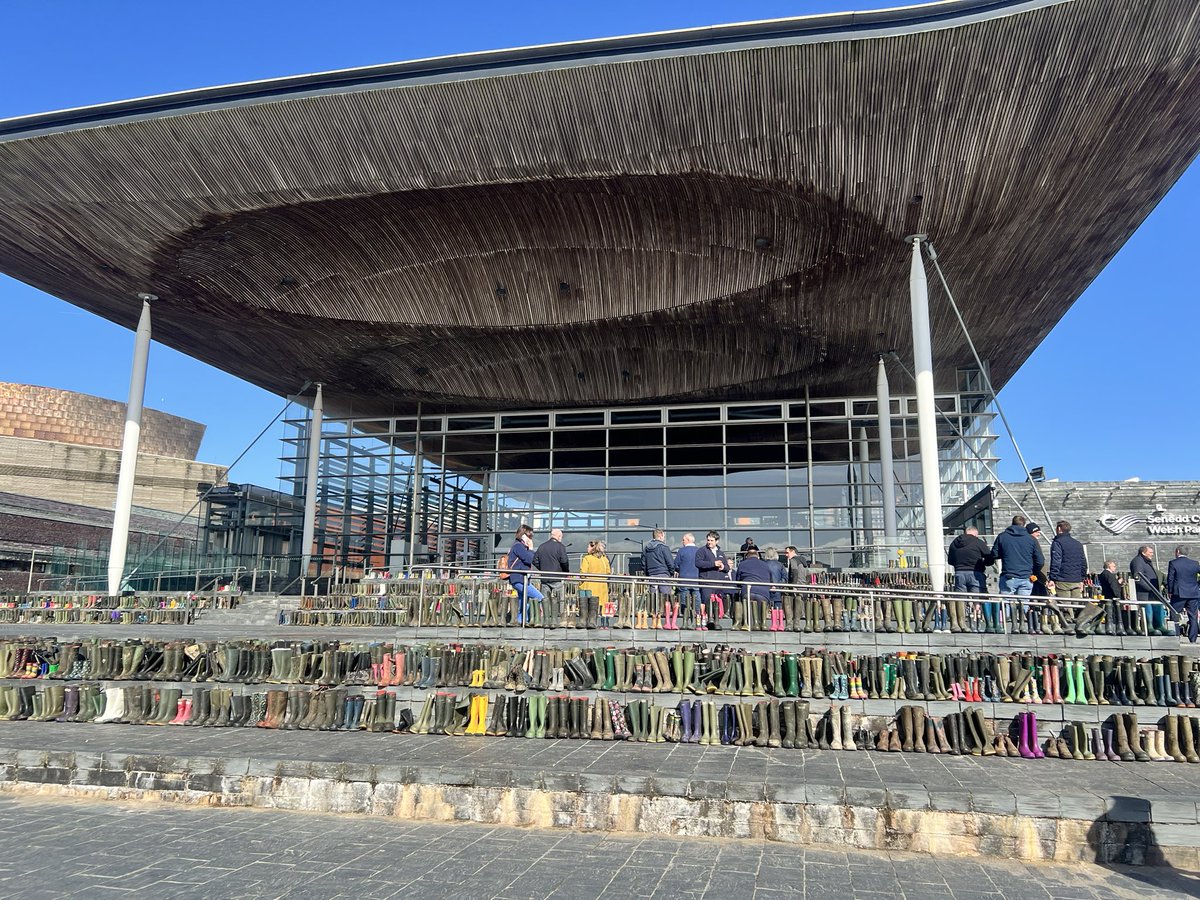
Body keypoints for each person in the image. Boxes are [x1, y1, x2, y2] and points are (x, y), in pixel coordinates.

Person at [991, 515, 1043, 634]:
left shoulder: (1003, 537)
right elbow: (1040, 560)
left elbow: (994, 554)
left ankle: (1008, 627)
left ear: (1012, 523)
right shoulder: (1031, 540)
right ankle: (1023, 626)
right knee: (1023, 603)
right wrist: (1033, 571)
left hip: (1009, 575)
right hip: (1026, 576)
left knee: (1007, 603)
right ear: (1024, 525)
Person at [947, 526, 993, 632]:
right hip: (976, 573)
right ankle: (978, 624)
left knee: (961, 599)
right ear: (975, 533)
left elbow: (950, 561)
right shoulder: (978, 542)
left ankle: (962, 624)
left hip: (959, 573)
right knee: (978, 599)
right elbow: (989, 558)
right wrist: (983, 562)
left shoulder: (954, 543)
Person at [504, 524, 543, 625]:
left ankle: (521, 620)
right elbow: (529, 559)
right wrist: (530, 548)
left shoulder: (518, 546)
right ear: (524, 536)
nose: (531, 539)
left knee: (524, 601)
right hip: (519, 579)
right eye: (530, 536)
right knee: (539, 597)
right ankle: (529, 619)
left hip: (521, 579)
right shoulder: (518, 546)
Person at [533, 528, 571, 626]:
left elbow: (535, 560)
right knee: (559, 599)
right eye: (561, 536)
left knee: (545, 600)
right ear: (558, 536)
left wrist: (541, 568)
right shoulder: (560, 547)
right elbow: (564, 561)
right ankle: (557, 620)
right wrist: (565, 572)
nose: (561, 538)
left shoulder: (542, 546)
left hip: (545, 578)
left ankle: (546, 621)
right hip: (557, 577)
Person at [642, 529, 677, 629]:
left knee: (653, 597)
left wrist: (647, 574)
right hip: (663, 574)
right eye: (664, 536)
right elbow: (670, 562)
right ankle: (665, 619)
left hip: (652, 575)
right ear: (661, 535)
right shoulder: (663, 547)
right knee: (666, 597)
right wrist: (670, 572)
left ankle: (654, 618)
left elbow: (643, 563)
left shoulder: (646, 548)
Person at [695, 530, 730, 629]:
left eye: (711, 540)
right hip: (706, 581)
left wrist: (723, 567)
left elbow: (727, 567)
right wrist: (713, 563)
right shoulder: (701, 551)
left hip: (718, 583)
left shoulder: (721, 553)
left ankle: (716, 621)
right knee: (706, 600)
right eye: (708, 540)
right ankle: (705, 621)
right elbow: (698, 563)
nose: (709, 542)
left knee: (717, 603)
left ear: (717, 541)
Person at [1129, 545, 1167, 635]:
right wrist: (1150, 588)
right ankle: (1150, 627)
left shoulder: (1146, 561)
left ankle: (1159, 626)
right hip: (1145, 593)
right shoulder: (1137, 561)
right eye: (1150, 552)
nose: (1152, 554)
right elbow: (1138, 578)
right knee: (1148, 609)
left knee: (1158, 607)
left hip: (1153, 593)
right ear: (1143, 552)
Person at [732, 548, 772, 631]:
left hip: (747, 590)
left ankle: (747, 626)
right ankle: (761, 625)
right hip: (763, 592)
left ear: (747, 556)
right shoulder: (765, 564)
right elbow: (770, 580)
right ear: (757, 556)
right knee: (761, 613)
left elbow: (738, 579)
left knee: (748, 614)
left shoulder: (742, 564)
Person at [1167, 545, 1200, 643]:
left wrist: (1170, 591)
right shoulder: (1195, 563)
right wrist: (1197, 585)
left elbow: (1171, 578)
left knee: (1174, 615)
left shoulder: (1173, 563)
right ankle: (1193, 638)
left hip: (1178, 593)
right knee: (1193, 616)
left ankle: (1176, 637)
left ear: (1177, 551)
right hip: (1193, 593)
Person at [580, 541, 613, 627]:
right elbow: (608, 573)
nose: (587, 548)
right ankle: (602, 623)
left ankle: (586, 621)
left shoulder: (587, 558)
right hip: (602, 587)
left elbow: (583, 573)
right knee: (601, 606)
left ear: (593, 548)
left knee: (589, 605)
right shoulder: (604, 559)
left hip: (589, 586)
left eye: (588, 547)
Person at [674, 533, 701, 627]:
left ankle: (685, 620)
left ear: (688, 540)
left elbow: (676, 564)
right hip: (696, 579)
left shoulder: (681, 551)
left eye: (683, 540)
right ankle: (697, 619)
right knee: (697, 600)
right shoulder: (699, 551)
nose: (682, 541)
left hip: (684, 579)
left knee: (684, 601)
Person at [783, 545, 807, 631]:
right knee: (800, 604)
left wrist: (793, 586)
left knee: (794, 604)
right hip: (803, 585)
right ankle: (798, 623)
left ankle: (792, 624)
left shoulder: (793, 560)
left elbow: (794, 572)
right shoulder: (803, 561)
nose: (786, 555)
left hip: (797, 585)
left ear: (793, 552)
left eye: (787, 552)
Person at [762, 548, 787, 631]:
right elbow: (785, 578)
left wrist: (770, 585)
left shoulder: (763, 564)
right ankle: (781, 624)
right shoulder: (780, 565)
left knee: (768, 606)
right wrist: (778, 585)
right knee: (778, 606)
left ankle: (773, 624)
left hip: (766, 588)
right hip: (778, 589)